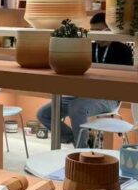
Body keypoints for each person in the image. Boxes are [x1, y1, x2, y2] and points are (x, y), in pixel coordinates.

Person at [36, 13, 132, 145]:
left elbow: (125, 79)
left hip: (109, 97)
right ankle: (77, 140)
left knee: (76, 107)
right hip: (82, 94)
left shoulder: (123, 50)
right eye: (93, 31)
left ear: (109, 30)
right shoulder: (87, 48)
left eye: (99, 31)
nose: (95, 35)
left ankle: (81, 150)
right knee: (44, 114)